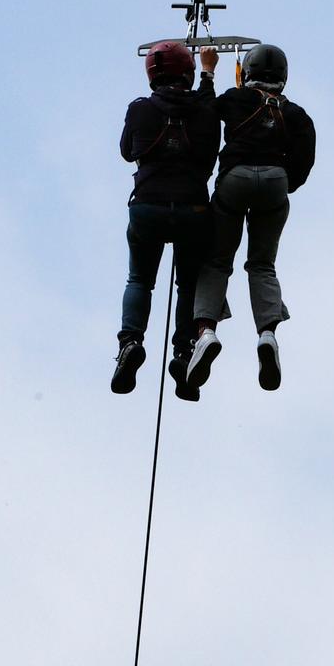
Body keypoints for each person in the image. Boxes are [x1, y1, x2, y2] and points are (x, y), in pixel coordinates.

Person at [183, 42, 315, 392]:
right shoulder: (298, 114)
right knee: (262, 264)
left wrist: (207, 72)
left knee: (216, 261)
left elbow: (203, 113)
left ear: (249, 73)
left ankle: (206, 332)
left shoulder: (236, 98)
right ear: (283, 77)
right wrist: (283, 182)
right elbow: (303, 165)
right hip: (275, 181)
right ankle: (267, 334)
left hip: (235, 178)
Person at [113, 39, 221, 398]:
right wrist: (208, 75)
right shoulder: (205, 112)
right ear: (187, 74)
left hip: (148, 205)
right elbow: (209, 155)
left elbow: (128, 152)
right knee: (187, 285)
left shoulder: (140, 109)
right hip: (192, 208)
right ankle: (184, 351)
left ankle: (130, 342)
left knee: (140, 280)